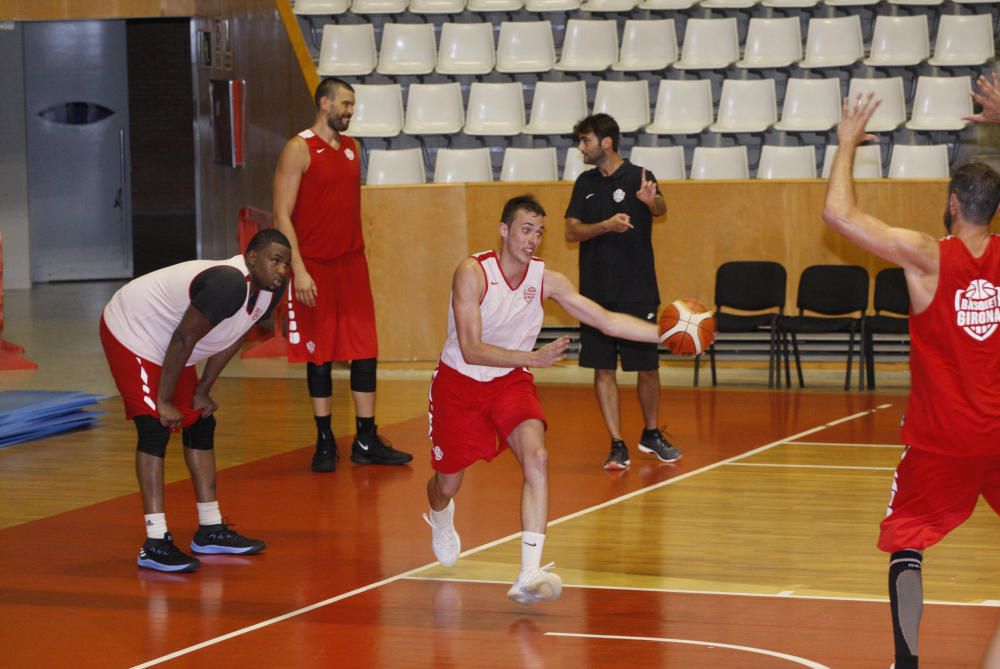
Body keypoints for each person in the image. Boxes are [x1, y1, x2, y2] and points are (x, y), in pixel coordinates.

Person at [824, 93, 1000, 669]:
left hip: (941, 440)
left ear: (952, 204)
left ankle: (907, 664)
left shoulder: (928, 257)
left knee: (907, 542)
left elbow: (839, 218)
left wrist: (848, 143)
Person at [423, 194, 664, 605]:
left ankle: (528, 573)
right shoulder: (472, 273)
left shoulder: (547, 280)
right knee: (447, 482)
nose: (533, 239)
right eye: (525, 229)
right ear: (504, 230)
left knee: (537, 457)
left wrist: (665, 334)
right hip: (460, 383)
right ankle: (441, 516)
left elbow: (604, 319)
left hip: (511, 382)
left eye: (539, 231)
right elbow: (470, 348)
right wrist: (533, 357)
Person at [100, 229, 293, 573]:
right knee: (155, 426)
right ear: (251, 258)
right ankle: (155, 543)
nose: (281, 270)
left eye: (286, 264)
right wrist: (163, 401)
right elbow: (183, 337)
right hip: (134, 329)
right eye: (275, 260)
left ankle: (210, 529)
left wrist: (203, 388)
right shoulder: (229, 283)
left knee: (201, 419)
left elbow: (235, 336)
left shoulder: (270, 291)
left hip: (173, 338)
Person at [273, 76, 412, 473]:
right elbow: (282, 214)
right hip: (313, 267)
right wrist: (297, 269)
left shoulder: (352, 148)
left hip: (351, 264)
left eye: (352, 106)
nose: (350, 112)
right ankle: (324, 440)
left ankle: (366, 438)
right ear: (324, 103)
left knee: (364, 351)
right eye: (346, 105)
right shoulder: (298, 149)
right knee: (319, 356)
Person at [564, 113, 678, 471]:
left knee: (646, 367)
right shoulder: (584, 182)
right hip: (595, 292)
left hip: (637, 287)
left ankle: (651, 433)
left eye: (586, 141)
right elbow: (571, 231)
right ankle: (616, 443)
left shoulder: (640, 175)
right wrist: (605, 226)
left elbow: (661, 209)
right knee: (602, 369)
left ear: (606, 142)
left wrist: (649, 201)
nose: (581, 148)